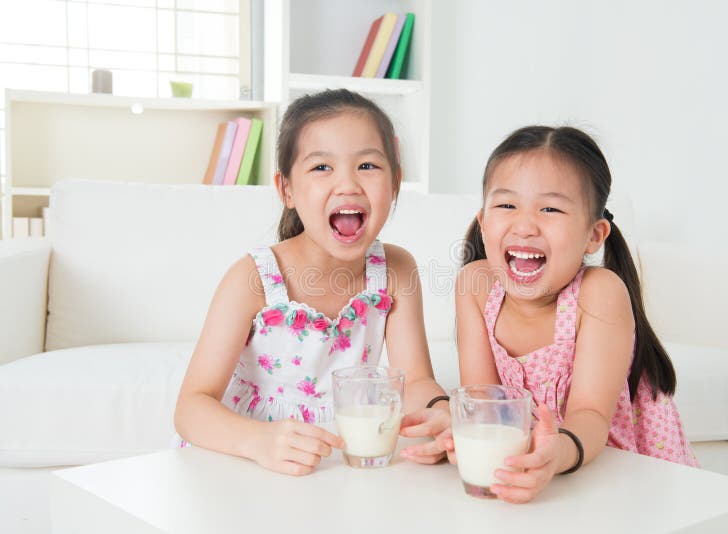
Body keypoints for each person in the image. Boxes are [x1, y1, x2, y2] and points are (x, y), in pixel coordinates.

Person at [173, 89, 448, 475]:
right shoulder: (253, 279)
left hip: (337, 459)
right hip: (244, 459)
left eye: (367, 165)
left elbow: (416, 381)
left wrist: (445, 412)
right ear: (286, 189)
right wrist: (258, 441)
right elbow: (190, 407)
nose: (349, 184)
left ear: (396, 183)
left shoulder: (396, 269)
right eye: (322, 167)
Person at [450, 125, 698, 503]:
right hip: (530, 466)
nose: (525, 225)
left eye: (550, 208)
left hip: (607, 465)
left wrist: (555, 454)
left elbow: (591, 417)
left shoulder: (599, 293)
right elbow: (485, 404)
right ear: (484, 223)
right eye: (506, 205)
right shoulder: (475, 284)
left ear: (594, 235)